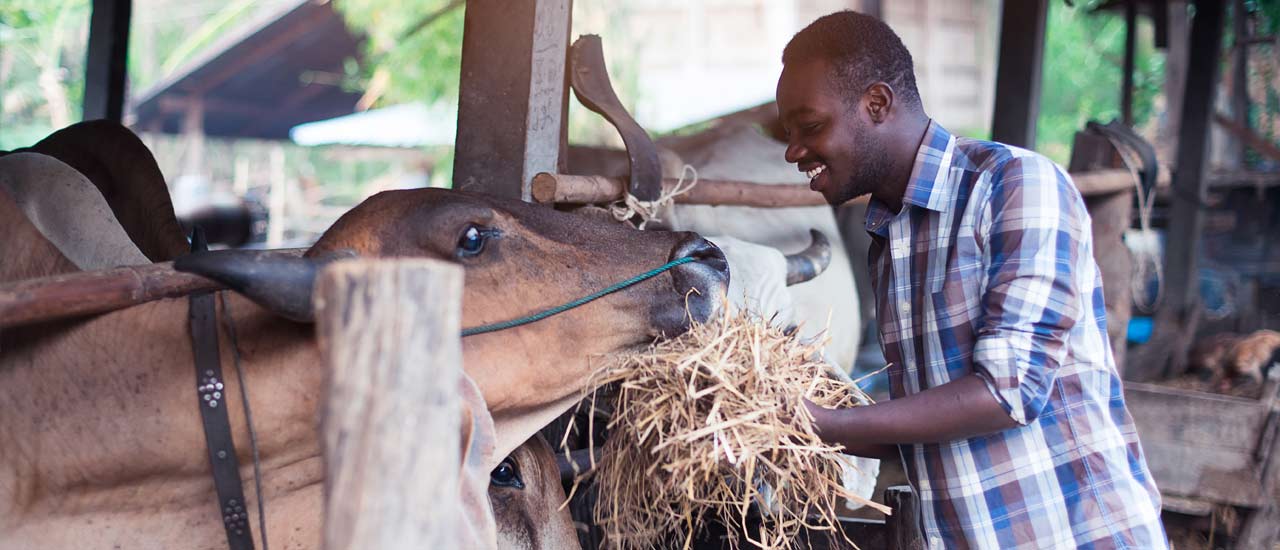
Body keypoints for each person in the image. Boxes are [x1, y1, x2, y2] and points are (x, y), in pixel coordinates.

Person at [775, 11, 1167, 549]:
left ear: (878, 104)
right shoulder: (888, 239)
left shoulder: (1014, 186)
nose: (793, 151)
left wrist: (831, 425)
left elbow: (1009, 393)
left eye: (811, 127)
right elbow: (928, 426)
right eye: (788, 134)